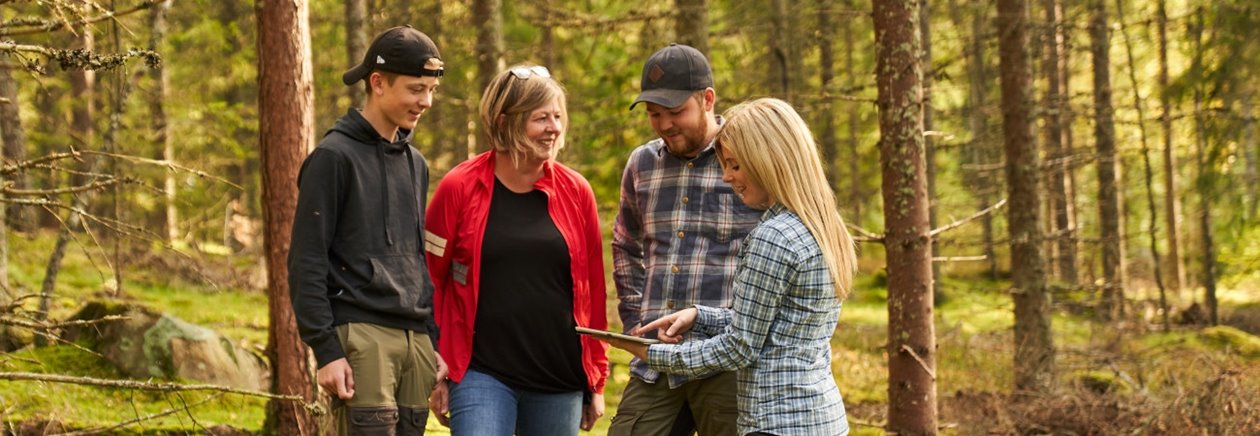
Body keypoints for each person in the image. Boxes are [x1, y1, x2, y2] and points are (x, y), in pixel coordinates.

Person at [603, 98, 858, 436]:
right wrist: (700, 315)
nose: (727, 177)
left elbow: (741, 345)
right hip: (819, 417)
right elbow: (775, 322)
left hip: (777, 423)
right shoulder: (818, 225)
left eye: (735, 165)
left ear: (768, 160)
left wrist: (655, 355)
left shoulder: (773, 237)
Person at [423, 64, 609, 435]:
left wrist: (596, 379)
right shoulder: (459, 187)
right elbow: (429, 280)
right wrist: (435, 363)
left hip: (559, 378)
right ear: (506, 121)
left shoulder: (577, 191)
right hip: (480, 373)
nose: (554, 128)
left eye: (558, 116)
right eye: (541, 118)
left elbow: (592, 292)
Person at [288, 25, 445, 434]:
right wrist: (326, 350)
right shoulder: (332, 158)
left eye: (430, 90)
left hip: (415, 342)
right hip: (361, 338)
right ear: (377, 82)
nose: (425, 102)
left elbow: (416, 259)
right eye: (415, 89)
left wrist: (433, 340)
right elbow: (306, 260)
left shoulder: (417, 163)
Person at [610, 43, 761, 436]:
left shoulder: (750, 160)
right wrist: (634, 323)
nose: (663, 124)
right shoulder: (641, 164)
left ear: (707, 99)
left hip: (729, 364)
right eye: (654, 114)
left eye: (675, 112)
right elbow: (626, 245)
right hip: (658, 361)